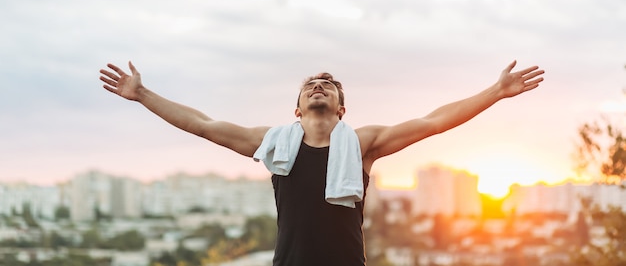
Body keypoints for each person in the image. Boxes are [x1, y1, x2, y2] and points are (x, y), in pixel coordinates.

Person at [99, 60, 544, 266]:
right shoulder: (273, 145)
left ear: (341, 109)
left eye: (329, 84)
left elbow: (432, 122)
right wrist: (142, 95)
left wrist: (495, 91)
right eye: (311, 83)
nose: (319, 84)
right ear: (296, 109)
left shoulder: (363, 144)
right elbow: (203, 124)